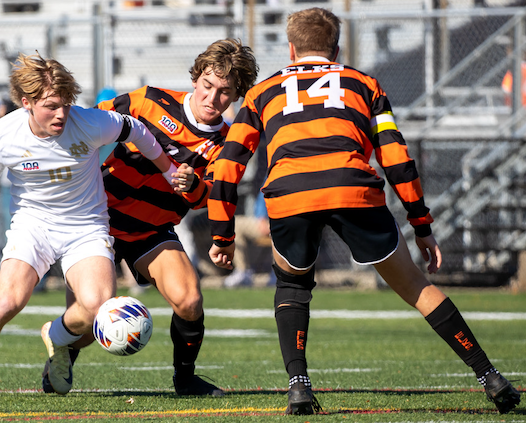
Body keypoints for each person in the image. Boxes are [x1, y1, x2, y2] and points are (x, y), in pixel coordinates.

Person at [208, 8, 521, 415]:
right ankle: (489, 376)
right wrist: (422, 225)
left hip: (291, 194)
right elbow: (396, 158)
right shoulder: (364, 83)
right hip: (352, 186)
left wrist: (221, 235)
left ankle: (299, 386)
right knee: (414, 285)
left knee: (293, 287)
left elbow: (229, 165)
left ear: (291, 48)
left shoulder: (261, 91)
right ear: (336, 49)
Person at [0, 52, 178, 398]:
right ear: (26, 103)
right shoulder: (3, 136)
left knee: (98, 305)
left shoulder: (89, 122)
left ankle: (57, 337)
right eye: (51, 105)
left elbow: (136, 129)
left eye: (66, 104)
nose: (62, 113)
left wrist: (169, 171)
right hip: (32, 227)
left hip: (85, 228)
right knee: (8, 302)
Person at [40, 39, 259, 396]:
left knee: (189, 300)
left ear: (237, 95)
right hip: (98, 223)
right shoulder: (148, 101)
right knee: (88, 320)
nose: (212, 98)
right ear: (195, 78)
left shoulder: (228, 143)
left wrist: (191, 186)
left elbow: (208, 198)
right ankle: (62, 350)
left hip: (152, 230)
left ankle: (185, 380)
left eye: (224, 92)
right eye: (207, 85)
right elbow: (85, 122)